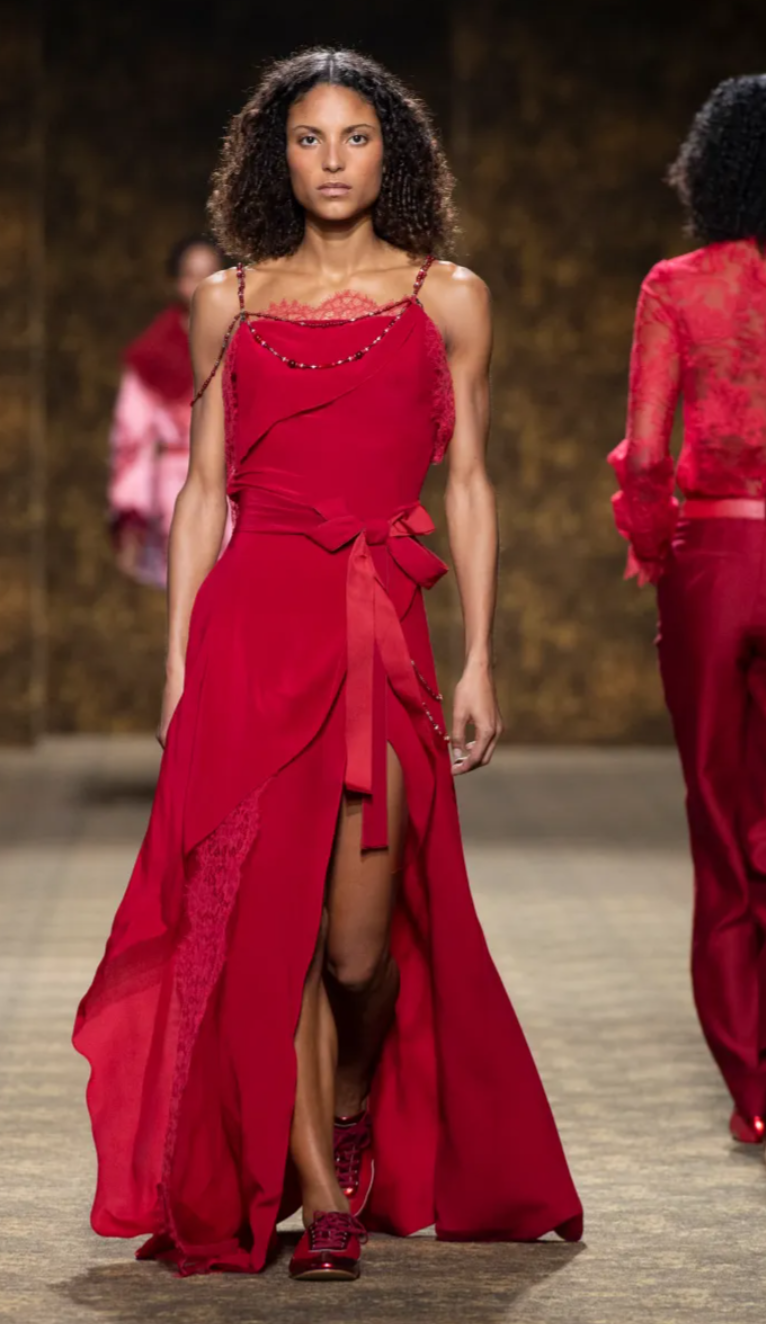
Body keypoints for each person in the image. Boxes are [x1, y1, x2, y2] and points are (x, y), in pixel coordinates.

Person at [75, 47, 582, 1281]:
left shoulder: (450, 297)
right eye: (309, 138)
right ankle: (319, 1190)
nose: (334, 160)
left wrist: (480, 658)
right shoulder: (230, 302)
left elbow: (470, 482)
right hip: (254, 632)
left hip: (381, 637)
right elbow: (201, 493)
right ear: (277, 157)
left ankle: (352, 1108)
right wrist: (177, 668)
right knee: (271, 934)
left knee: (360, 953)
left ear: (391, 151)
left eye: (357, 136)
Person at [609, 75, 766, 1154]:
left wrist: (652, 547)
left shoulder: (679, 285)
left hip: (714, 564)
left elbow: (647, 456)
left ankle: (756, 1088)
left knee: (719, 823)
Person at [108, 236, 226, 587]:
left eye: (211, 273)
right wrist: (131, 517)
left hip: (240, 491)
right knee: (190, 595)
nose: (201, 285)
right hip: (179, 491)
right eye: (192, 275)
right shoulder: (154, 355)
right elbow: (131, 440)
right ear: (176, 282)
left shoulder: (249, 340)